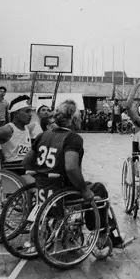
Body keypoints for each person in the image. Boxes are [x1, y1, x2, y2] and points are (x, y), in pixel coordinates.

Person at [22, 99, 124, 249]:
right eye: (80, 117)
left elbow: (26, 162)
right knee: (98, 189)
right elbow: (70, 168)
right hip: (63, 191)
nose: (82, 119)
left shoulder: (43, 136)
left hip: (43, 190)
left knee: (88, 187)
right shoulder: (73, 138)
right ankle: (102, 234)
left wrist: (42, 175)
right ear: (73, 120)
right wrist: (84, 190)